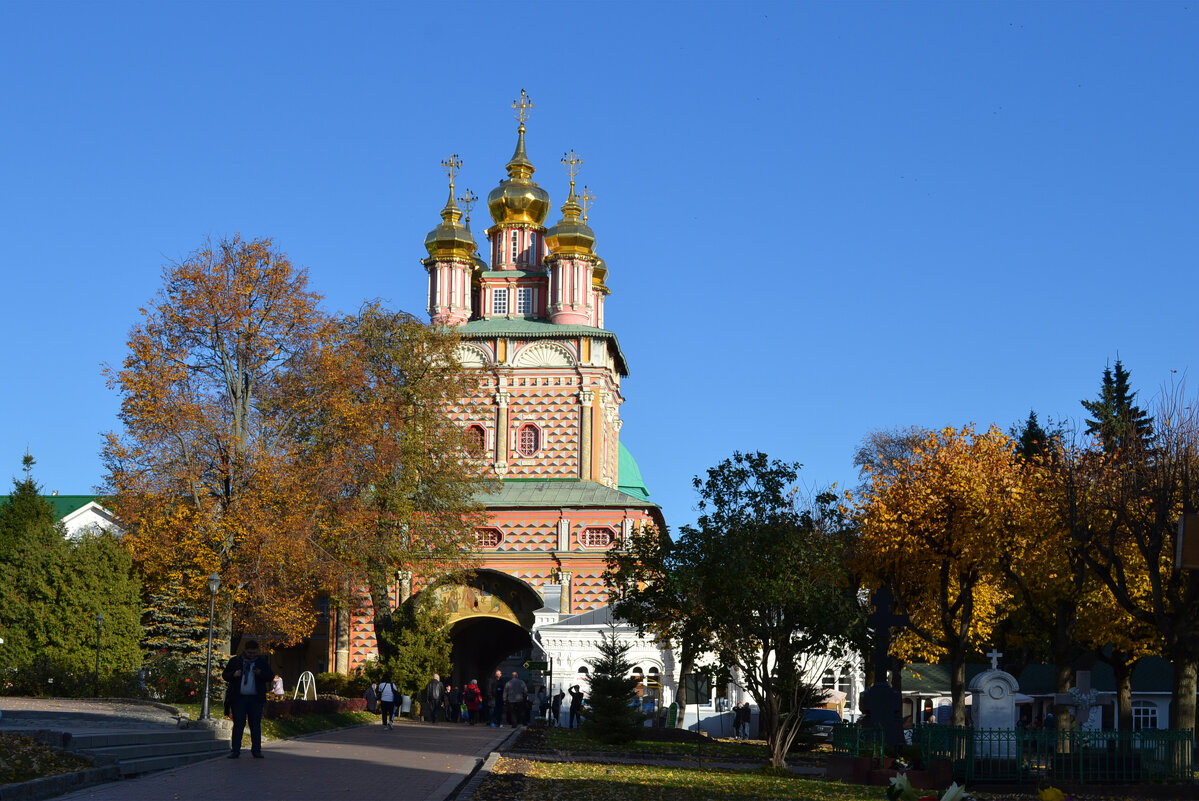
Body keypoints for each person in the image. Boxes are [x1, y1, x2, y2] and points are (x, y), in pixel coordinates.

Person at [221, 640, 275, 759]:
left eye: (254, 653)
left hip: (255, 699)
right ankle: (235, 750)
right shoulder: (236, 661)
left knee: (255, 724)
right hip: (239, 698)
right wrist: (234, 674)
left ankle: (256, 750)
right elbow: (225, 675)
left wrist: (260, 673)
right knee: (239, 724)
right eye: (250, 652)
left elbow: (270, 676)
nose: (252, 655)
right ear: (245, 650)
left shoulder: (261, 661)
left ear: (257, 652)